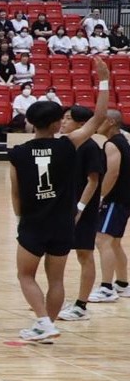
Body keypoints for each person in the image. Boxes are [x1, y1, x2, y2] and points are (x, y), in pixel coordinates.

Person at [57, 104, 108, 324]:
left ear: (81, 124)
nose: (63, 122)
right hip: (65, 208)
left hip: (82, 211)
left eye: (68, 119)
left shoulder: (90, 148)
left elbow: (93, 181)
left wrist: (79, 208)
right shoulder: (67, 146)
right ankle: (56, 302)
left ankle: (81, 305)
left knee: (84, 255)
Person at [91, 110, 130, 305]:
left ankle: (106, 288)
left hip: (114, 199)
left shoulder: (112, 144)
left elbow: (112, 174)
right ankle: (122, 284)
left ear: (111, 122)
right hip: (123, 199)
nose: (96, 123)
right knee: (114, 242)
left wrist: (100, 197)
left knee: (102, 240)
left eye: (100, 120)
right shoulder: (123, 140)